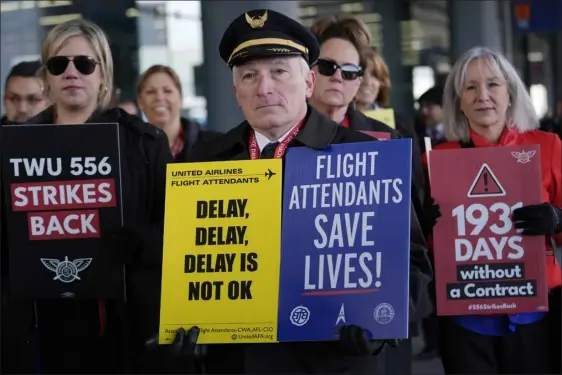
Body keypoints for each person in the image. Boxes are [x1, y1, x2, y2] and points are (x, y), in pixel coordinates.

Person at [175, 8, 432, 374]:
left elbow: (413, 258)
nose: (264, 88)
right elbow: (185, 261)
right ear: (236, 91)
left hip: (333, 360)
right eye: (249, 76)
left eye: (278, 72)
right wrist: (185, 322)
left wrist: (383, 322)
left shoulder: (363, 154)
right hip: (238, 361)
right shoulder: (202, 164)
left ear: (309, 83)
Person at [1, 18, 172, 374]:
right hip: (41, 326)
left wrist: (141, 244)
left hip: (126, 327)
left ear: (103, 75)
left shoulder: (145, 144)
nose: (71, 73)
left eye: (84, 63)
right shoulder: (14, 147)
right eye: (58, 64)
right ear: (47, 77)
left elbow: (173, 231)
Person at [423, 47, 561, 374]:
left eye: (493, 84)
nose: (482, 95)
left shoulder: (547, 146)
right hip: (466, 320)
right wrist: (425, 228)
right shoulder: (436, 160)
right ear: (458, 99)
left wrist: (556, 218)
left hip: (537, 315)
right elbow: (425, 247)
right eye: (470, 87)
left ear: (510, 92)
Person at [136, 64, 221, 162]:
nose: (159, 97)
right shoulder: (128, 151)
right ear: (140, 102)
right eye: (151, 92)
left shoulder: (215, 147)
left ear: (181, 99)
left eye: (167, 91)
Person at [1, 60, 49, 124]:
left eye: (33, 100)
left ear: (50, 102)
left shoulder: (63, 133)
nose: (22, 109)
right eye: (14, 99)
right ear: (4, 101)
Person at [415, 85, 446, 152]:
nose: (424, 111)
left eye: (428, 105)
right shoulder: (414, 133)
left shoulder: (457, 133)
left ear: (444, 107)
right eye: (421, 106)